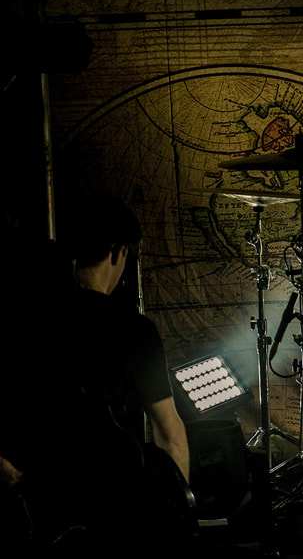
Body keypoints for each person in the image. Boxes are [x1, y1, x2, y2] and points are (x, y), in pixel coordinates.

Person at [0, 193, 193, 554]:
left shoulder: (19, 319)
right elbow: (169, 434)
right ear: (118, 252)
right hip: (114, 513)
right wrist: (179, 517)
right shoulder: (136, 330)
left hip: (37, 508)